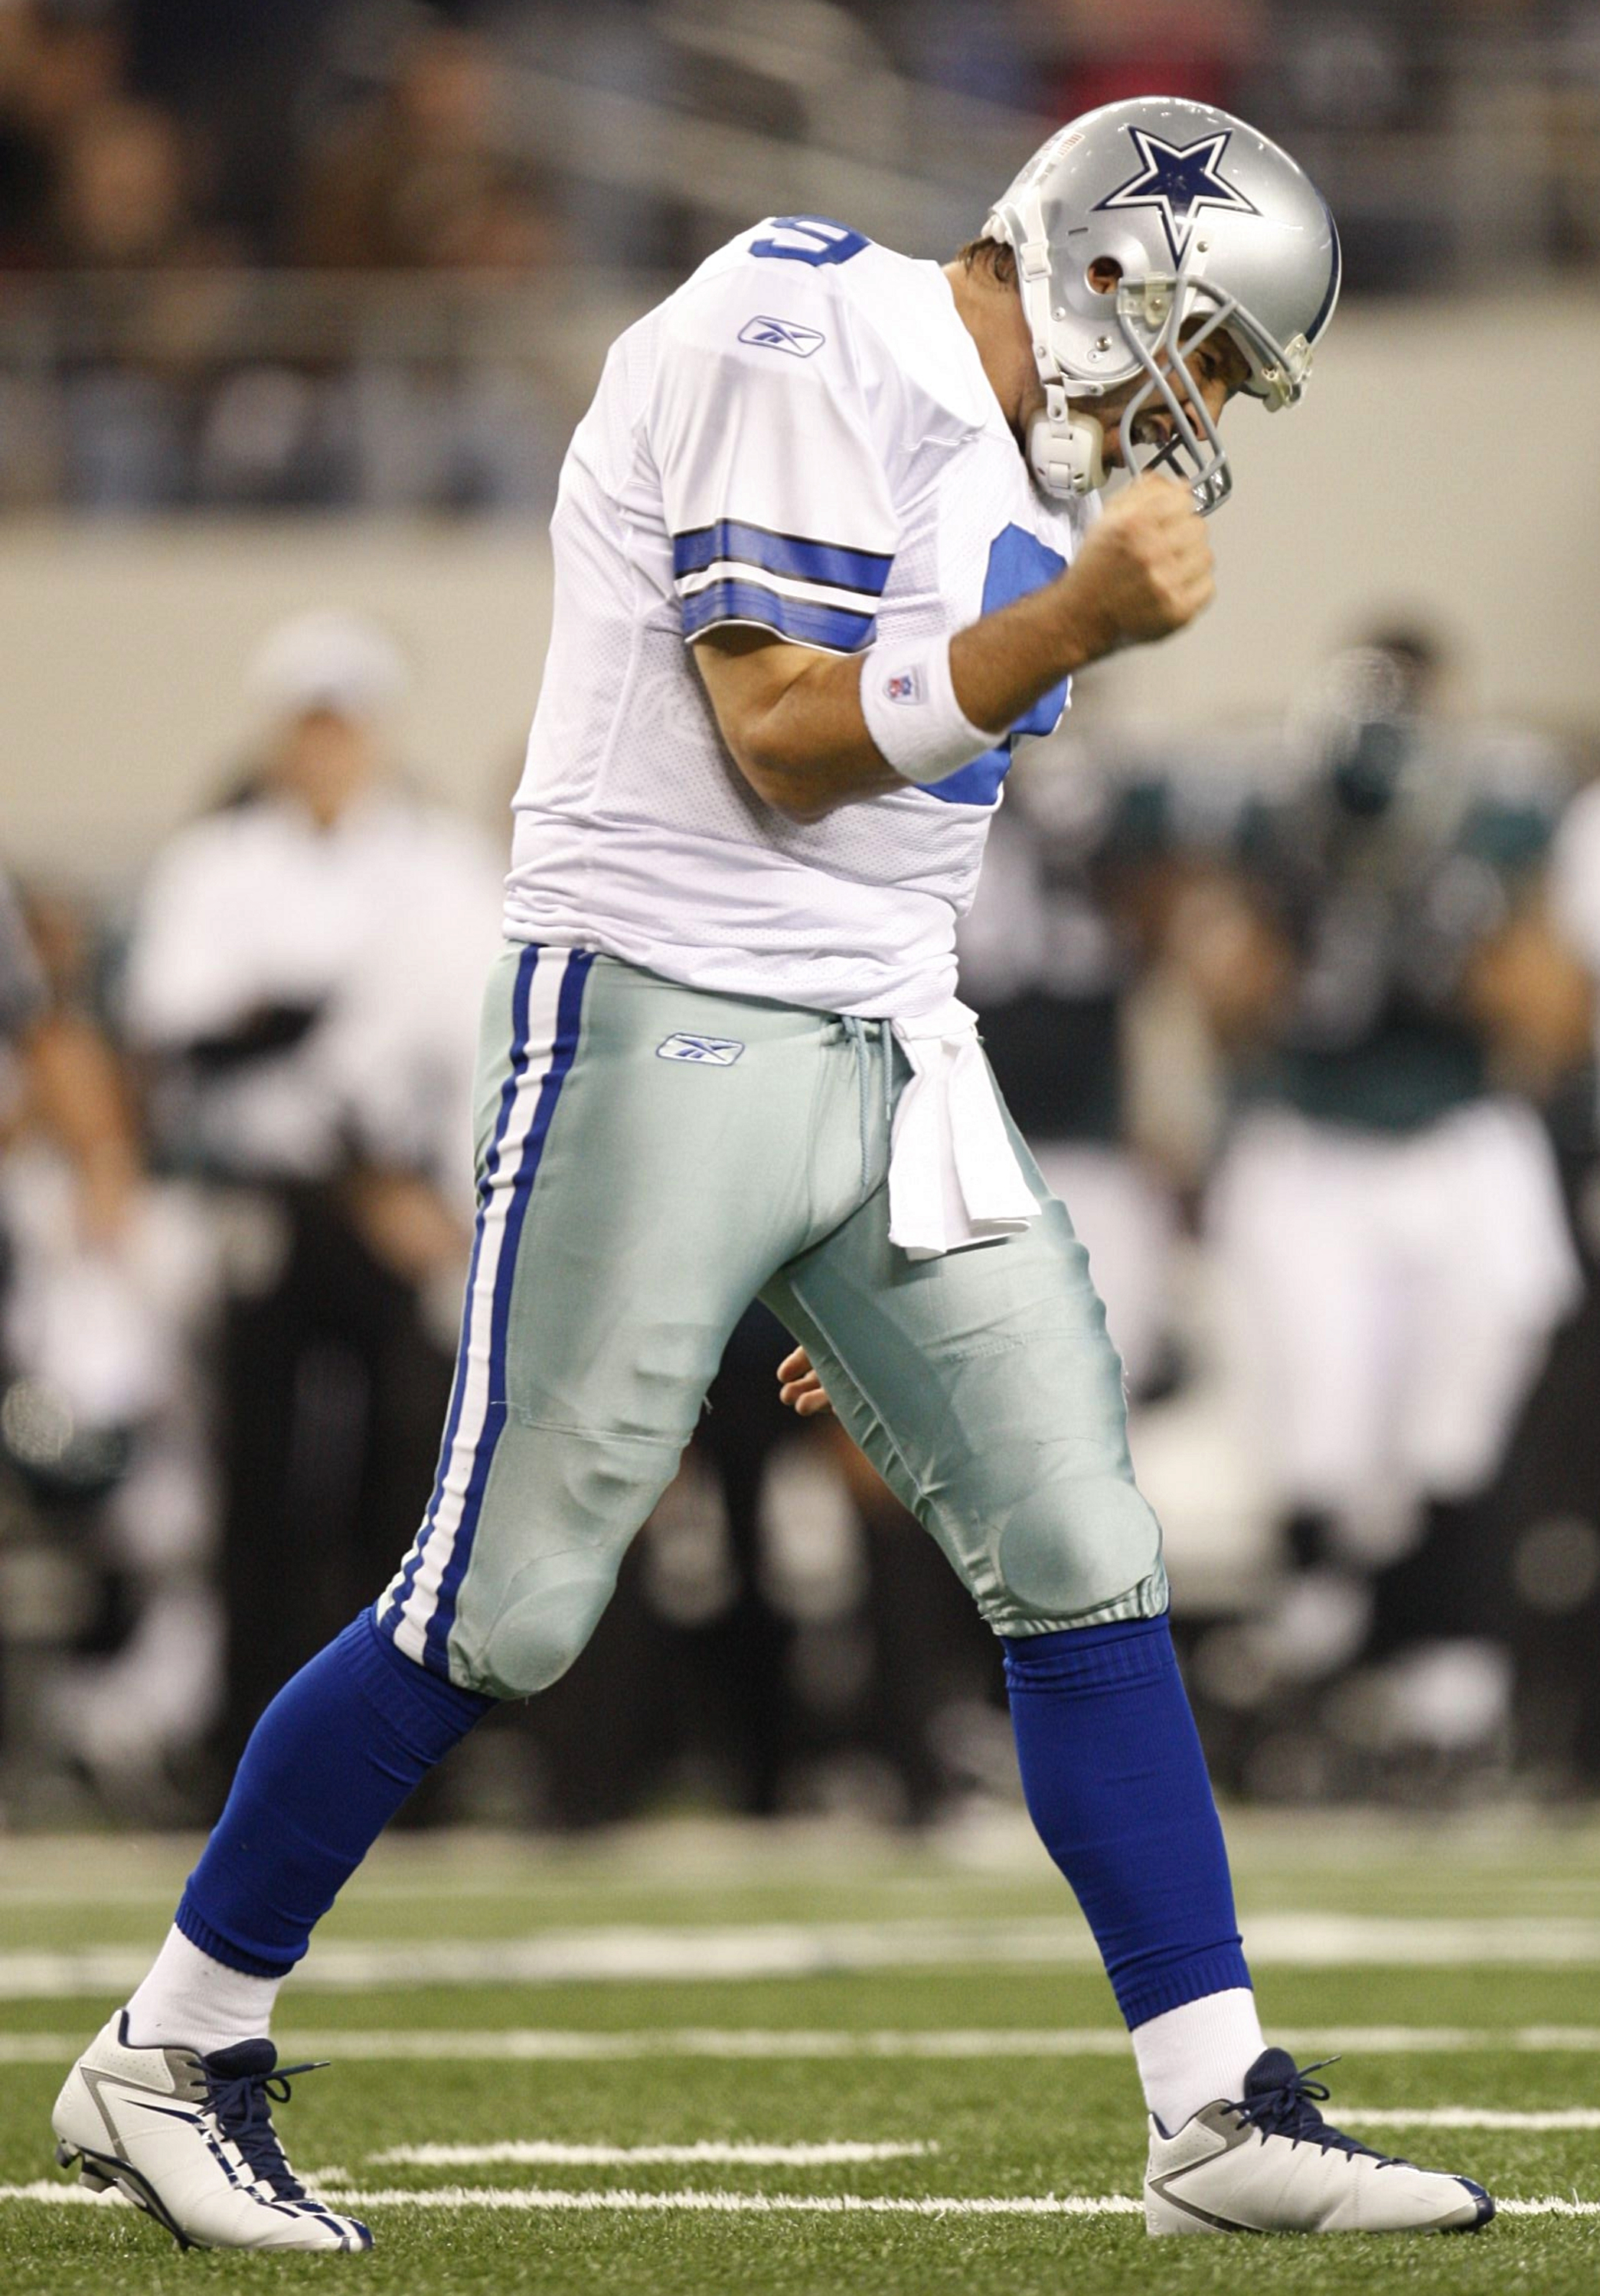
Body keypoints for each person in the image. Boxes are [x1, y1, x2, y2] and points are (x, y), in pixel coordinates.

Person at [53, 97, 1491, 2246]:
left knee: (1079, 1540)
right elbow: (787, 738)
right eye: (1206, 356)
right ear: (1110, 270)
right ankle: (171, 2047)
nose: (1199, 419)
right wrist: (1073, 627)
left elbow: (897, 856)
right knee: (505, 1599)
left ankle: (1214, 2103)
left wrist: (843, 1240)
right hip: (661, 1012)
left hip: (885, 1050)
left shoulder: (1004, 459)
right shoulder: (801, 326)